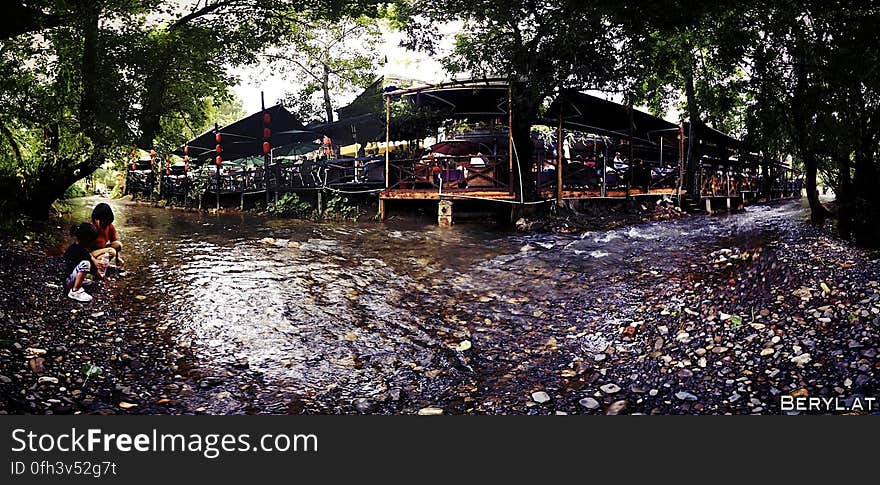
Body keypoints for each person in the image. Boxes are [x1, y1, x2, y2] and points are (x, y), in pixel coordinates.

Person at [63, 223, 102, 302]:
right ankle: (75, 290)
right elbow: (93, 269)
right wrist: (100, 275)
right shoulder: (83, 252)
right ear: (87, 240)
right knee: (86, 264)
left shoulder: (72, 247)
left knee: (84, 265)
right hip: (69, 281)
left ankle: (79, 282)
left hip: (68, 276)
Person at [89, 202, 124, 269]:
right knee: (111, 251)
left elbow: (114, 242)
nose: (106, 225)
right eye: (104, 222)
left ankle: (102, 264)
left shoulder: (110, 226)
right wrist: (94, 260)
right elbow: (84, 251)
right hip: (91, 254)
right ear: (97, 219)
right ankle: (97, 266)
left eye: (108, 222)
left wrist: (118, 258)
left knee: (118, 244)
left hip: (102, 250)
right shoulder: (92, 228)